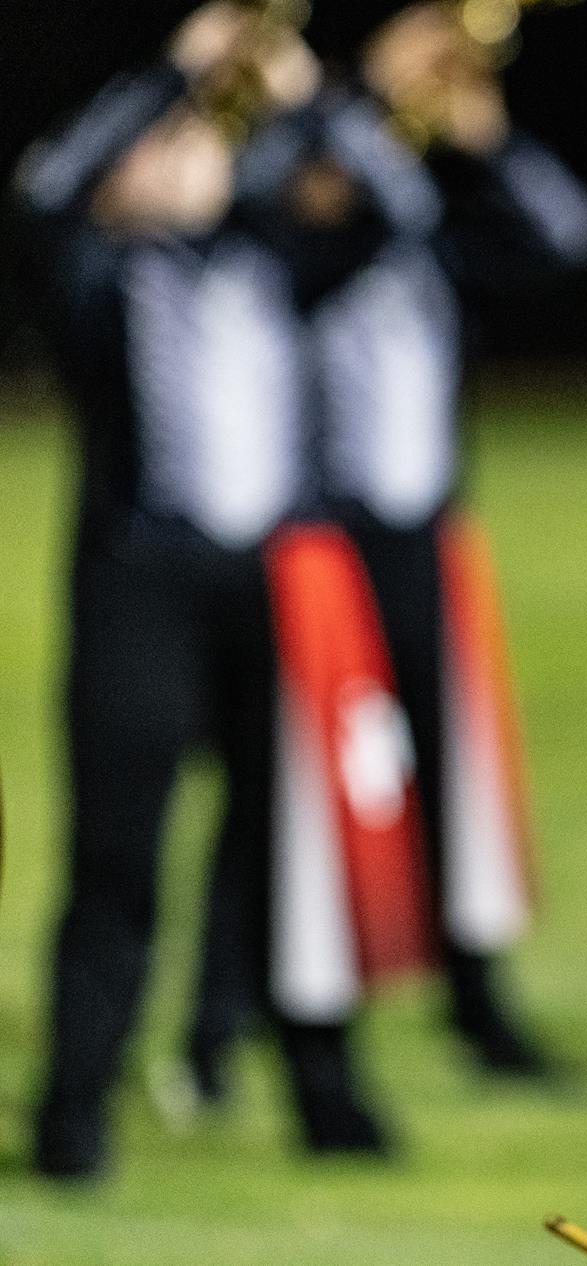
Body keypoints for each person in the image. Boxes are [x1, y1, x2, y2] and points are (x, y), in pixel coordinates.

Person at [183, 0, 587, 1093]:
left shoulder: (430, 211)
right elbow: (304, 216)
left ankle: (475, 1002)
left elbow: (568, 238)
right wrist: (359, 105)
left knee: (445, 767)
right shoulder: (306, 181)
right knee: (280, 777)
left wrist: (487, 137)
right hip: (308, 536)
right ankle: (226, 1020)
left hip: (416, 530)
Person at [15, 1, 402, 1176]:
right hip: (143, 580)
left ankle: (323, 1092)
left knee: (295, 854)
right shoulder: (99, 274)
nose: (187, 151)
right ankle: (72, 1113)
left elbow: (399, 210)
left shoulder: (285, 257)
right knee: (117, 855)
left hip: (277, 582)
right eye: (165, 144)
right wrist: (165, 78)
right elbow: (42, 193)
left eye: (200, 136)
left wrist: (304, 97)